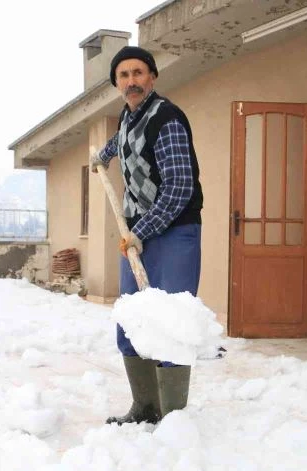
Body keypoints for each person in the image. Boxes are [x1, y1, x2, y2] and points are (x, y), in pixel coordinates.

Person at [90, 46, 203, 425]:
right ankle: (145, 406)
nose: (131, 81)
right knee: (132, 318)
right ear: (117, 83)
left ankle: (173, 418)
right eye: (124, 75)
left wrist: (141, 231)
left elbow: (179, 186)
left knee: (171, 322)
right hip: (139, 235)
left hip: (173, 232)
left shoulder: (166, 118)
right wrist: (102, 155)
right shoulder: (127, 119)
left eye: (138, 73)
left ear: (152, 77)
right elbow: (121, 144)